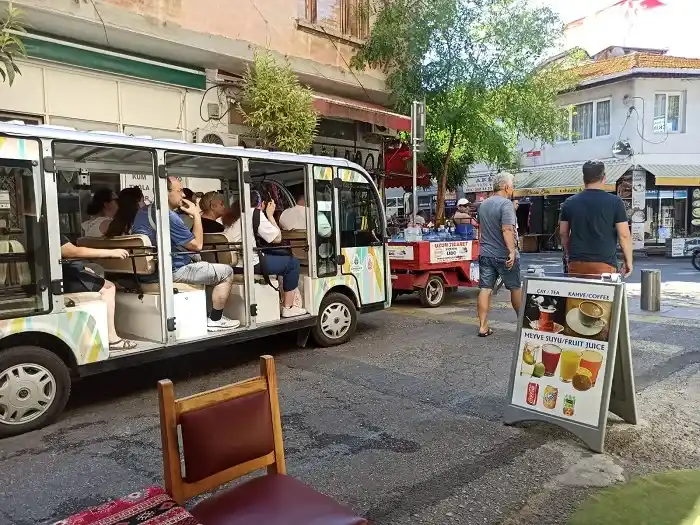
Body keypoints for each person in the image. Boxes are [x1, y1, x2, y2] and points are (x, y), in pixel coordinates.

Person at [132, 177, 239, 331]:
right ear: (165, 192)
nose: (183, 195)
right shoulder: (169, 217)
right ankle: (215, 319)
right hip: (173, 270)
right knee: (226, 272)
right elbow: (197, 245)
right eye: (179, 190)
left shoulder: (142, 212)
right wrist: (196, 215)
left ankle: (206, 312)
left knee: (203, 266)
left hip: (148, 272)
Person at [224, 190, 307, 318]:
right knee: (293, 263)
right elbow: (277, 238)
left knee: (280, 257)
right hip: (251, 263)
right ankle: (288, 307)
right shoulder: (254, 213)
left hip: (237, 263)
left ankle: (282, 299)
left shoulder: (234, 216)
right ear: (260, 203)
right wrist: (270, 215)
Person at [60, 236, 136, 351]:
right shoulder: (49, 228)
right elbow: (72, 251)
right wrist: (112, 252)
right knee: (109, 288)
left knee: (95, 269)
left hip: (62, 272)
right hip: (64, 277)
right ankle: (112, 338)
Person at [559, 160, 633, 277]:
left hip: (577, 263)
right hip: (605, 264)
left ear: (584, 179)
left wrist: (569, 255)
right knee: (603, 295)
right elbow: (624, 235)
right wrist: (628, 262)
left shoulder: (569, 202)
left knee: (576, 294)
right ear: (604, 178)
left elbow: (563, 233)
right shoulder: (615, 202)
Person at [476, 172, 522, 337]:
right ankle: (523, 324)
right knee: (515, 288)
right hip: (503, 254)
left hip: (486, 253)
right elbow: (507, 229)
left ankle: (483, 326)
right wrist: (511, 251)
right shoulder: (506, 204)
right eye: (512, 186)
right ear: (506, 187)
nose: (512, 189)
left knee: (485, 289)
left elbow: (484, 228)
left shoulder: (484, 204)